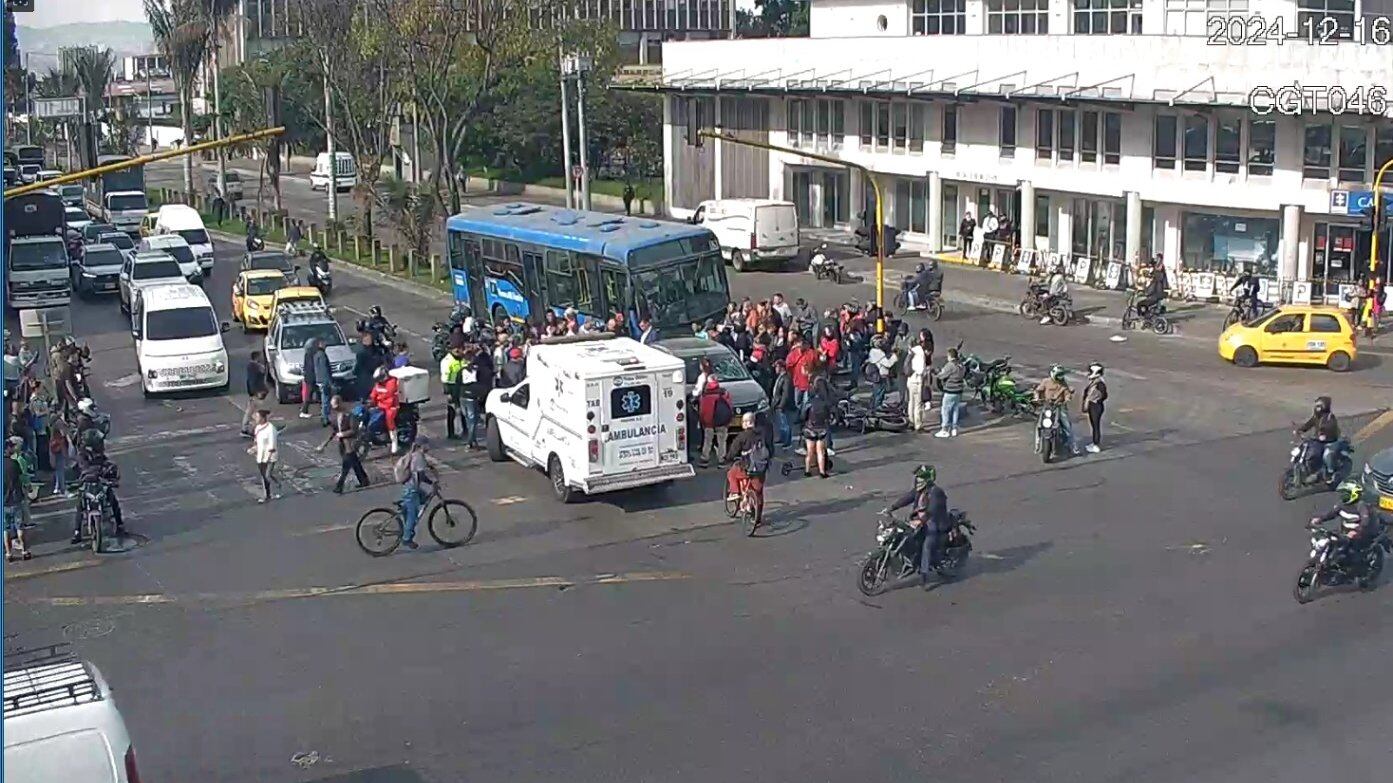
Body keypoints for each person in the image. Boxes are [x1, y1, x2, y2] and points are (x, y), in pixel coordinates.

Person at [884, 464, 950, 588]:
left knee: (927, 544)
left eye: (921, 478)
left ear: (928, 479)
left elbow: (933, 509)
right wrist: (892, 507)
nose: (918, 480)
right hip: (919, 520)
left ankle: (924, 575)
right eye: (917, 478)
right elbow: (907, 498)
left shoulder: (936, 492)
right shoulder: (919, 490)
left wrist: (922, 520)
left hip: (934, 521)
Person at [1310, 480, 1380, 573]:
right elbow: (1332, 513)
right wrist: (1320, 519)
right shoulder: (1341, 504)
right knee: (1332, 543)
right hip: (1345, 533)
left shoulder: (1361, 506)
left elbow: (1365, 522)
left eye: (1345, 493)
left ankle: (1359, 571)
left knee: (1353, 556)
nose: (1343, 496)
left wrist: (1356, 531)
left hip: (1361, 535)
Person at [318, 395, 370, 494]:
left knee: (346, 465)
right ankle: (364, 480)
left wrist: (343, 434)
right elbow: (334, 431)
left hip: (350, 444)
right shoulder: (334, 416)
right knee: (355, 463)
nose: (334, 408)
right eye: (333, 406)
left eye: (336, 406)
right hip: (342, 444)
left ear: (340, 403)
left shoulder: (350, 415)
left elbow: (354, 430)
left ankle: (339, 485)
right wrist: (324, 444)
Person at [725, 413, 769, 525]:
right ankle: (757, 518)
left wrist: (727, 458)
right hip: (760, 468)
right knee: (758, 492)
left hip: (746, 467)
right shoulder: (763, 434)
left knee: (731, 473)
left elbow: (733, 452)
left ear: (746, 423)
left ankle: (735, 492)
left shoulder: (742, 437)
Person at [396, 436, 438, 550]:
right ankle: (407, 538)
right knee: (412, 515)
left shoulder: (415, 455)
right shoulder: (419, 457)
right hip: (412, 489)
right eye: (426, 444)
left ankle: (405, 509)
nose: (428, 446)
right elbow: (421, 475)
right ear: (421, 446)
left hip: (410, 488)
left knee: (423, 497)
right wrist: (432, 482)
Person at [1033, 365, 1080, 456]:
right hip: (1047, 406)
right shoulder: (1046, 382)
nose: (1060, 377)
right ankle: (1037, 446)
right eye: (1058, 375)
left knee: (1067, 427)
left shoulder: (1063, 383)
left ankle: (1074, 447)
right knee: (1039, 426)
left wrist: (1067, 398)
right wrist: (1037, 397)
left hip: (1060, 407)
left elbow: (1067, 394)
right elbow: (1038, 391)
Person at [1297, 395, 1341, 478]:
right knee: (1309, 451)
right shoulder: (1316, 416)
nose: (1317, 408)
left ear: (1324, 406)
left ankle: (1329, 473)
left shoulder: (1329, 416)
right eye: (1316, 405)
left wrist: (1324, 431)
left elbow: (1331, 426)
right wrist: (1300, 430)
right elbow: (1309, 424)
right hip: (1318, 440)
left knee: (1326, 455)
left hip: (1329, 440)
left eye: (1319, 405)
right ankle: (1311, 469)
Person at [697, 377, 734, 468]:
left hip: (708, 422)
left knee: (708, 440)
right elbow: (729, 406)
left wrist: (703, 421)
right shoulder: (723, 393)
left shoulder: (704, 395)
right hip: (721, 421)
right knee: (722, 441)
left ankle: (705, 459)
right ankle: (721, 460)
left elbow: (702, 411)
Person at [4, 438, 30, 561]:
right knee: (20, 527)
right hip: (15, 499)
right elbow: (21, 479)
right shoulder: (14, 463)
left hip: (3, 502)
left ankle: (9, 554)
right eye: (11, 447)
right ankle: (24, 551)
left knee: (6, 529)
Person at [248, 409, 281, 503]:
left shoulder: (271, 429)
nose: (256, 418)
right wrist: (253, 449)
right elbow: (257, 442)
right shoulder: (257, 428)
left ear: (263, 418)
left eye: (257, 417)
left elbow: (272, 445)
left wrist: (267, 458)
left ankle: (268, 493)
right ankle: (268, 493)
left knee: (266, 475)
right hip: (260, 456)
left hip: (270, 456)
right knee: (264, 476)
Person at [369, 366, 403, 454]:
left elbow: (389, 395)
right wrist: (371, 400)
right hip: (381, 405)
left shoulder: (392, 382)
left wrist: (378, 398)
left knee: (389, 419)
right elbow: (374, 392)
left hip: (391, 406)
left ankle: (394, 442)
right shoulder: (379, 384)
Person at [802, 383, 832, 478]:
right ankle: (822, 471)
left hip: (810, 428)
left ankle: (807, 470)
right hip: (821, 428)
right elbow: (828, 416)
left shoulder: (809, 403)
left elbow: (803, 416)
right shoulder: (825, 403)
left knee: (809, 452)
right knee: (820, 452)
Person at [935, 347, 966, 438]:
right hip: (959, 391)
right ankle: (954, 429)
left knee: (945, 409)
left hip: (950, 390)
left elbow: (941, 376)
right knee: (955, 409)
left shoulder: (950, 365)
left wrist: (937, 373)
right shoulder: (961, 365)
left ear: (950, 356)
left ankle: (944, 430)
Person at [906, 330, 931, 432]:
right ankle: (918, 425)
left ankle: (911, 422)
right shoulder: (920, 353)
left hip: (909, 379)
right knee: (918, 404)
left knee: (910, 402)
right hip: (917, 380)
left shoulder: (911, 351)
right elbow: (921, 370)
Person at [1081, 363, 1108, 454]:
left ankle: (1096, 445)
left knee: (1095, 426)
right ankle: (1094, 443)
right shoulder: (1095, 382)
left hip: (1096, 407)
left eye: (1091, 371)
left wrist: (1095, 399)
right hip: (1094, 406)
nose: (1089, 373)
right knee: (1094, 426)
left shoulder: (1099, 383)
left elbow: (1104, 395)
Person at [866, 335, 897, 411]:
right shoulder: (878, 353)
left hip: (876, 375)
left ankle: (872, 407)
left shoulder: (873, 351)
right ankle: (877, 408)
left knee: (876, 391)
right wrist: (895, 356)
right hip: (880, 375)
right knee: (879, 392)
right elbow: (888, 363)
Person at [243, 350, 271, 436]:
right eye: (260, 356)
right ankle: (255, 429)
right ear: (257, 357)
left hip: (255, 392)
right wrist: (255, 392)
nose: (261, 358)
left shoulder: (252, 366)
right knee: (259, 411)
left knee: (251, 411)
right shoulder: (255, 367)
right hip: (257, 392)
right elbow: (253, 380)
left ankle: (246, 429)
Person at [769, 359, 795, 450]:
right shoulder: (780, 377)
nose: (775, 369)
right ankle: (782, 438)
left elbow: (786, 394)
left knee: (785, 424)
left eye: (777, 367)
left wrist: (781, 405)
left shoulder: (786, 378)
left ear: (781, 367)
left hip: (782, 405)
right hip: (777, 404)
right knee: (780, 423)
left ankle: (787, 441)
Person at [299, 338, 321, 420]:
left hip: (309, 377)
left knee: (314, 394)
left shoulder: (307, 354)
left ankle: (323, 409)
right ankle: (304, 411)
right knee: (309, 395)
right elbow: (312, 367)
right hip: (311, 378)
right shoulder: (311, 355)